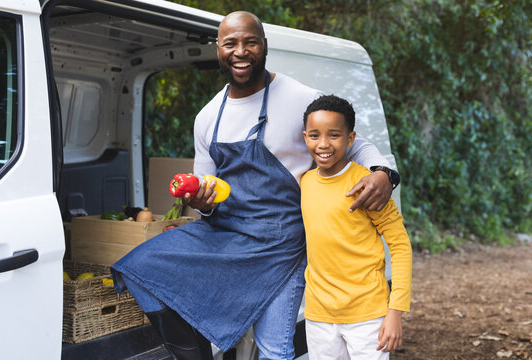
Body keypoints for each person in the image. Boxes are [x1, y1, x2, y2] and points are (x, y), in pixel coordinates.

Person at [111, 11, 400, 360]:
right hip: (226, 235)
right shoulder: (207, 117)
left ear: (264, 46)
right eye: (230, 43)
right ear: (217, 48)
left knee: (273, 350)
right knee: (140, 268)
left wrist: (383, 172)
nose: (240, 51)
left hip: (283, 245)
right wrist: (203, 202)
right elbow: (206, 192)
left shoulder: (298, 98)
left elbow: (358, 144)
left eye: (250, 42)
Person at [300, 94, 412, 360]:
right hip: (318, 316)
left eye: (334, 135)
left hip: (367, 315)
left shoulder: (368, 185)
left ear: (350, 139)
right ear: (305, 137)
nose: (323, 144)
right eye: (314, 136)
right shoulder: (304, 182)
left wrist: (395, 312)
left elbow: (400, 246)